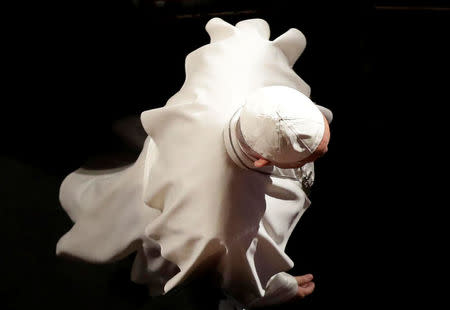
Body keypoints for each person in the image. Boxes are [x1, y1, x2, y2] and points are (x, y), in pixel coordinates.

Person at [56, 17, 332, 309]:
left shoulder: (242, 60)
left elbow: (245, 38)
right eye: (314, 153)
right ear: (264, 160)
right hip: (190, 192)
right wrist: (280, 287)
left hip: (183, 143)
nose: (324, 150)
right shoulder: (227, 215)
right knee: (159, 232)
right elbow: (237, 268)